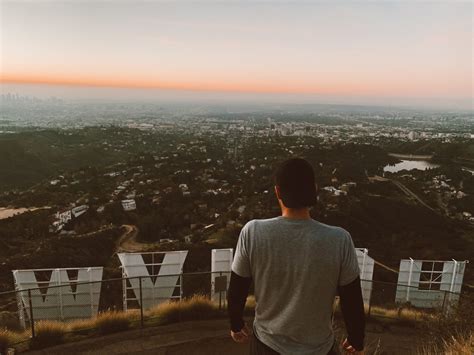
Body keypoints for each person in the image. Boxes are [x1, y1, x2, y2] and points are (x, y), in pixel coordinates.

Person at [227, 158, 365, 355]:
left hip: (267, 345)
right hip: (319, 348)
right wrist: (356, 338)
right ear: (314, 190)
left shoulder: (253, 232)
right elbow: (351, 298)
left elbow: (237, 288)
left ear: (277, 192)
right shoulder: (339, 239)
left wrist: (236, 323)